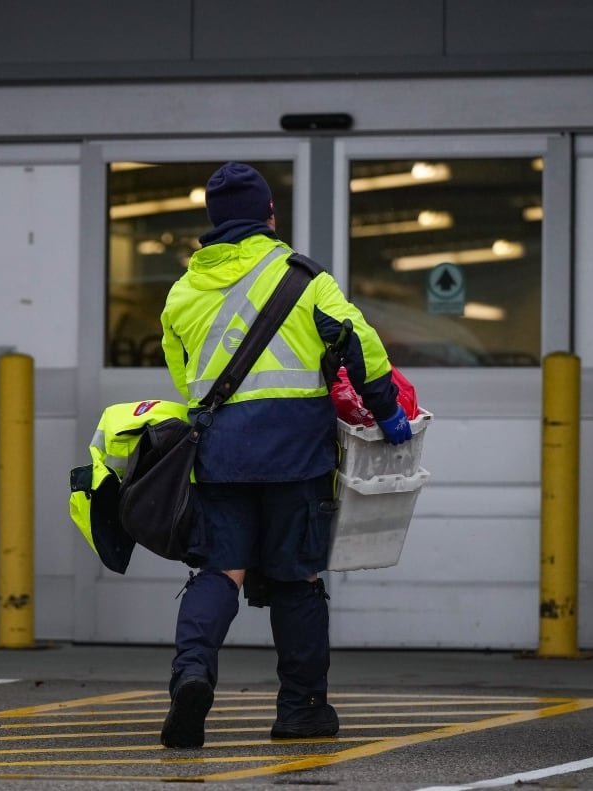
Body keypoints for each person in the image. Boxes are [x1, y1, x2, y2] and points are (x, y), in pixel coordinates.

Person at [158, 162, 411, 749]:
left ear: (213, 222)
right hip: (296, 457)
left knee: (219, 570)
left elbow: (185, 379)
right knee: (297, 578)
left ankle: (191, 677)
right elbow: (361, 344)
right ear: (270, 214)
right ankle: (301, 711)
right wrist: (386, 409)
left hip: (220, 456)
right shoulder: (305, 278)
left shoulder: (183, 291)